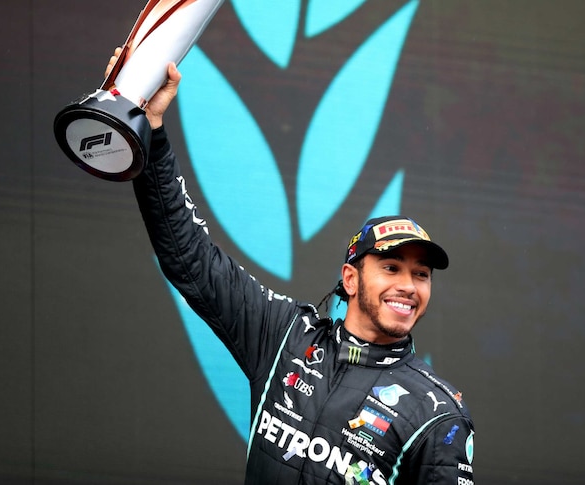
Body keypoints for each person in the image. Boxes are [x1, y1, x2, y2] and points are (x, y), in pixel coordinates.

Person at [109, 51, 476, 484]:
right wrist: (151, 131)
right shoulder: (283, 336)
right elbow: (189, 256)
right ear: (351, 278)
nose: (409, 286)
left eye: (421, 274)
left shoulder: (437, 413)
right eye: (392, 267)